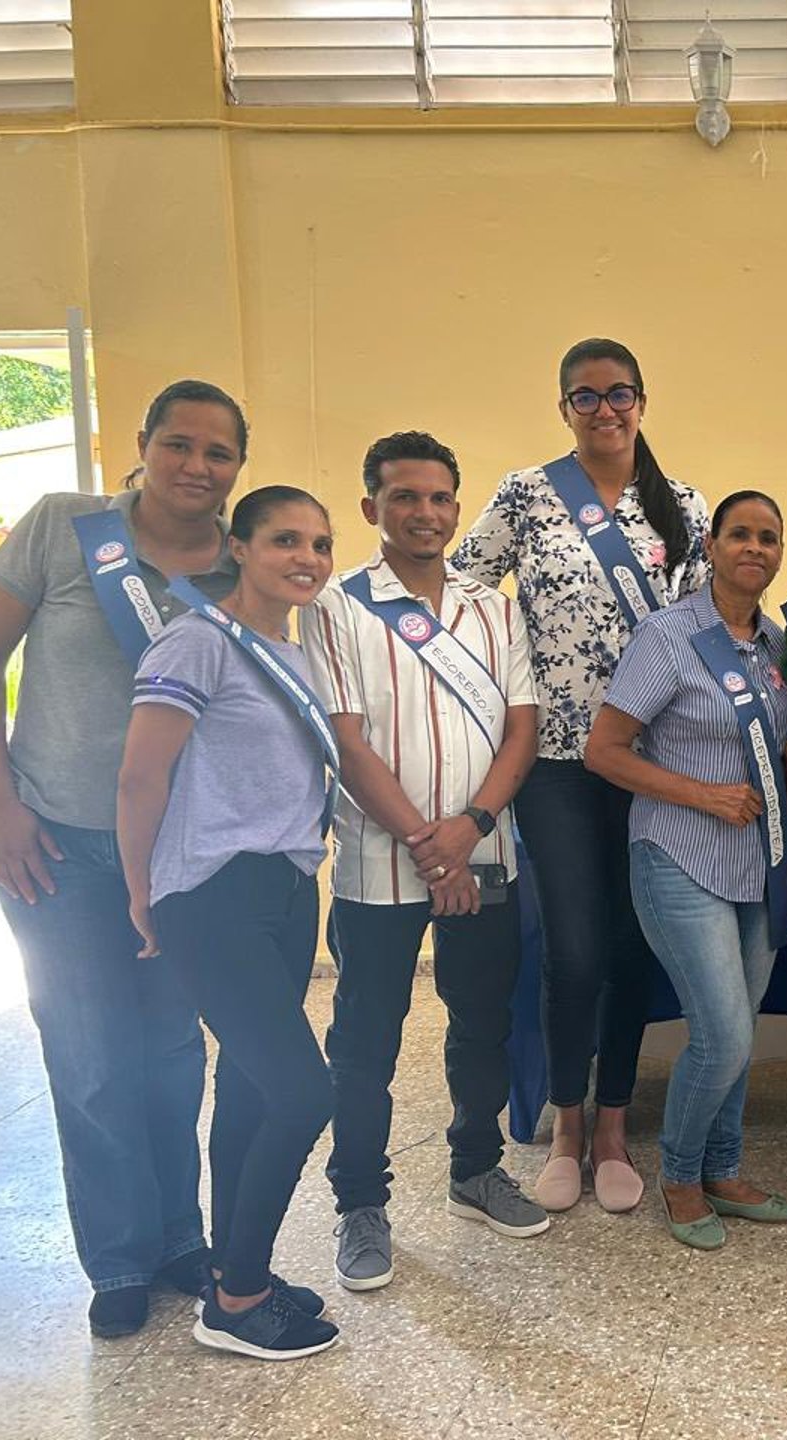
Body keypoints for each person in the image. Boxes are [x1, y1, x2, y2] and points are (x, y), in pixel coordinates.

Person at [0, 380, 248, 1338]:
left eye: (218, 453)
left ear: (238, 468)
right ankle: (118, 1258)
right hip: (57, 844)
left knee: (173, 1053)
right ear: (144, 442)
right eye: (178, 444)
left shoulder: (240, 565)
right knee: (90, 1055)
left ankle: (179, 1239)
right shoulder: (64, 529)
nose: (196, 466)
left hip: (179, 856)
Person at [453, 338, 710, 1214]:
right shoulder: (527, 495)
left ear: (642, 401)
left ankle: (612, 1130)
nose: (605, 410)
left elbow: (704, 626)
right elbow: (462, 593)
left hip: (649, 761)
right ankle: (567, 1127)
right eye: (586, 396)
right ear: (564, 407)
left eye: (619, 393)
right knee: (574, 947)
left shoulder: (682, 505)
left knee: (633, 945)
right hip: (556, 763)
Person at [300, 432, 546, 1294]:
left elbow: (522, 728)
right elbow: (345, 741)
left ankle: (476, 1169)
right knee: (367, 1039)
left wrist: (470, 826)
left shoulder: (495, 610)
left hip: (486, 854)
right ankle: (361, 1203)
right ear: (372, 507)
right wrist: (431, 847)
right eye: (405, 496)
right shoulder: (336, 606)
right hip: (381, 864)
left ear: (457, 507)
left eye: (440, 498)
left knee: (482, 1023)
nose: (425, 513)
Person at [116, 485, 341, 1360]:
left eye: (319, 544)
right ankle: (238, 1301)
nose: (306, 559)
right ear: (238, 548)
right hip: (211, 891)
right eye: (285, 539)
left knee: (251, 1086)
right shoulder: (198, 641)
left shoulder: (297, 657)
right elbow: (142, 775)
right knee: (303, 1092)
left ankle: (233, 1268)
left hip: (287, 888)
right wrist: (142, 890)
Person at [584, 490, 787, 1250]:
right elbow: (604, 751)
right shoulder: (668, 636)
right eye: (740, 534)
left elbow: (779, 759)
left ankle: (725, 1170)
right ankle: (680, 1177)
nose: (754, 548)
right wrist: (702, 794)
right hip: (678, 856)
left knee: (740, 1028)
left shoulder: (777, 646)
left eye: (769, 537)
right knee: (722, 1033)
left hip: (760, 867)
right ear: (711, 546)